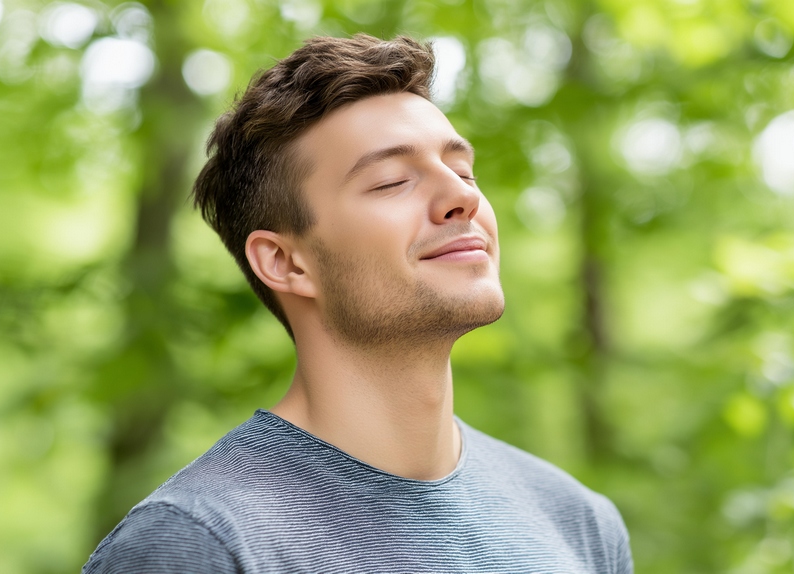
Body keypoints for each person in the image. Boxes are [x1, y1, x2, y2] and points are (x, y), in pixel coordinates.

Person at [83, 33, 633, 573]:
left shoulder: (577, 521)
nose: (463, 196)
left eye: (463, 171)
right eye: (393, 181)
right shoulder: (194, 543)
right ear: (285, 262)